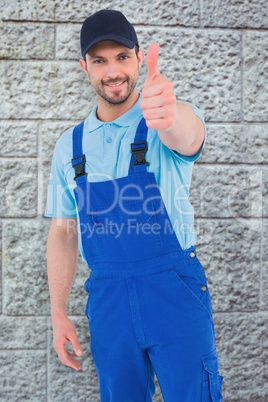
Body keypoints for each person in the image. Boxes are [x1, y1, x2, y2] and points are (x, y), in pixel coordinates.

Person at [45, 9, 224, 402]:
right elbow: (63, 232)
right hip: (108, 301)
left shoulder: (165, 121)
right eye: (100, 60)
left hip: (173, 292)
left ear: (140, 58)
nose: (113, 71)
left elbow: (188, 135)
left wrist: (169, 113)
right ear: (84, 66)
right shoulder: (69, 147)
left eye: (122, 57)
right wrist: (58, 312)